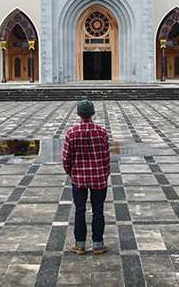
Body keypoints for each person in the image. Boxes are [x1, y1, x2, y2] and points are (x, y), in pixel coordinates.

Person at [61, 98, 111, 255]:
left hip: (79, 178)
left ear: (79, 115)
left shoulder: (72, 133)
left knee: (80, 210)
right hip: (98, 177)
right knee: (98, 210)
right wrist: (104, 173)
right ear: (93, 114)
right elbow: (106, 156)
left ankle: (80, 244)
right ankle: (97, 244)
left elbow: (66, 158)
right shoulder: (101, 132)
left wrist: (71, 173)